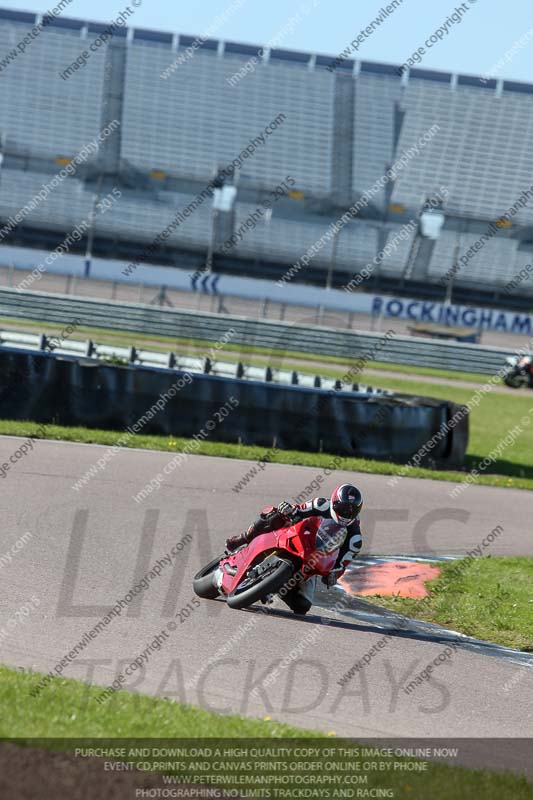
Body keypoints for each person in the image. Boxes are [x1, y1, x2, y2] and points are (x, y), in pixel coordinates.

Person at [225, 483, 363, 614]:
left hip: (314, 558)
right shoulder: (320, 504)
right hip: (297, 535)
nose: (346, 513)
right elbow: (298, 509)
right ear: (334, 502)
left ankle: (277, 585)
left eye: (352, 510)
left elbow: (342, 564)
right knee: (273, 515)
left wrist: (333, 575)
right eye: (343, 508)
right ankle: (244, 537)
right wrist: (288, 509)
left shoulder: (355, 539)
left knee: (302, 606)